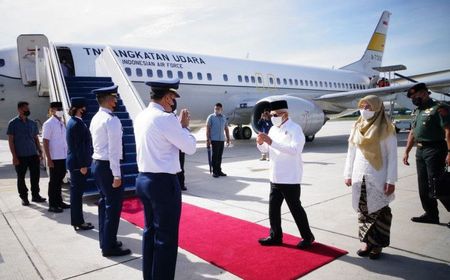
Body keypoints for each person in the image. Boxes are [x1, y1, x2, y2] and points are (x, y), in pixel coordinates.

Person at [134, 79, 196, 280]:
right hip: (163, 183)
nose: (173, 103)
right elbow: (190, 148)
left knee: (150, 231)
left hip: (143, 179)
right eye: (173, 98)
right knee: (166, 239)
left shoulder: (141, 116)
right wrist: (184, 127)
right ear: (168, 97)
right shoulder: (165, 118)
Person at [256, 100, 315, 249]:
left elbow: (296, 150)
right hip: (275, 176)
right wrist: (261, 143)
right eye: (271, 115)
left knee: (295, 209)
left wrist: (271, 142)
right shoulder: (273, 130)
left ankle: (307, 237)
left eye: (275, 114)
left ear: (285, 114)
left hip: (290, 177)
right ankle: (275, 236)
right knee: (273, 209)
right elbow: (265, 150)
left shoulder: (295, 129)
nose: (273, 117)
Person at [344, 95, 397, 259]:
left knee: (379, 211)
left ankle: (378, 245)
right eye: (362, 106)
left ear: (377, 108)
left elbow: (392, 157)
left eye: (368, 107)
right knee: (363, 211)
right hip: (360, 176)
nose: (364, 110)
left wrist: (391, 180)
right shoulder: (357, 126)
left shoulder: (386, 128)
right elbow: (351, 152)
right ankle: (366, 242)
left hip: (378, 176)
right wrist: (348, 173)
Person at [90, 85, 131, 257]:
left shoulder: (96, 117)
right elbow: (114, 151)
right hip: (108, 167)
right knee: (113, 208)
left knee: (104, 205)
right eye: (114, 98)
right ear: (108, 99)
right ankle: (109, 247)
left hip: (97, 164)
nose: (116, 101)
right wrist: (117, 175)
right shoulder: (111, 120)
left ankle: (106, 240)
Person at [403, 83, 450, 228]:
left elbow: (448, 130)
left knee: (438, 185)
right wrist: (407, 151)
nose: (413, 99)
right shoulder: (417, 110)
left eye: (414, 96)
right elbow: (412, 132)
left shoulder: (439, 108)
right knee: (423, 186)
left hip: (435, 149)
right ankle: (431, 214)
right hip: (421, 151)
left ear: (424, 93)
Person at [7, 101, 46, 206]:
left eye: (28, 108)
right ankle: (24, 197)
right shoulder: (13, 123)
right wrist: (14, 156)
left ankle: (35, 195)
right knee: (21, 177)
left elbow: (35, 138)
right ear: (19, 109)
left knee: (35, 176)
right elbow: (11, 141)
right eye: (25, 108)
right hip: (20, 156)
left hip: (33, 155)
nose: (28, 110)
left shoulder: (32, 123)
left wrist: (40, 151)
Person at [66, 97, 94, 231]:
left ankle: (77, 221)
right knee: (77, 195)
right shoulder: (77, 123)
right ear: (79, 108)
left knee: (76, 194)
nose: (85, 109)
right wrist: (83, 165)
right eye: (83, 107)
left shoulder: (74, 122)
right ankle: (78, 222)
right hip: (78, 164)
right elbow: (79, 147)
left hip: (76, 162)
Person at [42, 101, 70, 213]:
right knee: (54, 181)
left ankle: (59, 201)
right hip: (54, 157)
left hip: (62, 156)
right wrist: (48, 159)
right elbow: (45, 141)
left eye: (61, 108)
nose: (60, 110)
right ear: (52, 110)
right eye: (57, 109)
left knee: (60, 180)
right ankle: (52, 204)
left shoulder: (61, 123)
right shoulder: (49, 123)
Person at [206, 103, 230, 178]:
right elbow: (208, 128)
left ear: (221, 109)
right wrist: (208, 139)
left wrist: (228, 138)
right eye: (215, 109)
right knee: (215, 156)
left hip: (221, 140)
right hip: (214, 139)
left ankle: (219, 170)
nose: (216, 110)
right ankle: (215, 171)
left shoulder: (223, 117)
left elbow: (226, 128)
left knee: (219, 156)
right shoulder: (211, 117)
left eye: (218, 109)